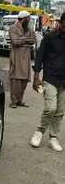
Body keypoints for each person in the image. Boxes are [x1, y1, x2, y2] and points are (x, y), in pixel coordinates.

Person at [30, 11, 65, 151]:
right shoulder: (50, 37)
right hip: (50, 78)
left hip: (64, 81)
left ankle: (53, 138)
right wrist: (36, 76)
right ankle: (39, 132)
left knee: (60, 111)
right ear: (61, 23)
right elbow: (39, 56)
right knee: (51, 108)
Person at [8, 11, 36, 108]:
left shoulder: (29, 29)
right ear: (24, 19)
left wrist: (22, 40)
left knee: (24, 81)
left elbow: (33, 40)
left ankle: (20, 100)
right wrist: (26, 40)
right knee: (16, 80)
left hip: (26, 57)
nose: (29, 20)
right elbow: (15, 42)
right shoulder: (13, 28)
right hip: (16, 57)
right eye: (28, 18)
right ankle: (13, 102)